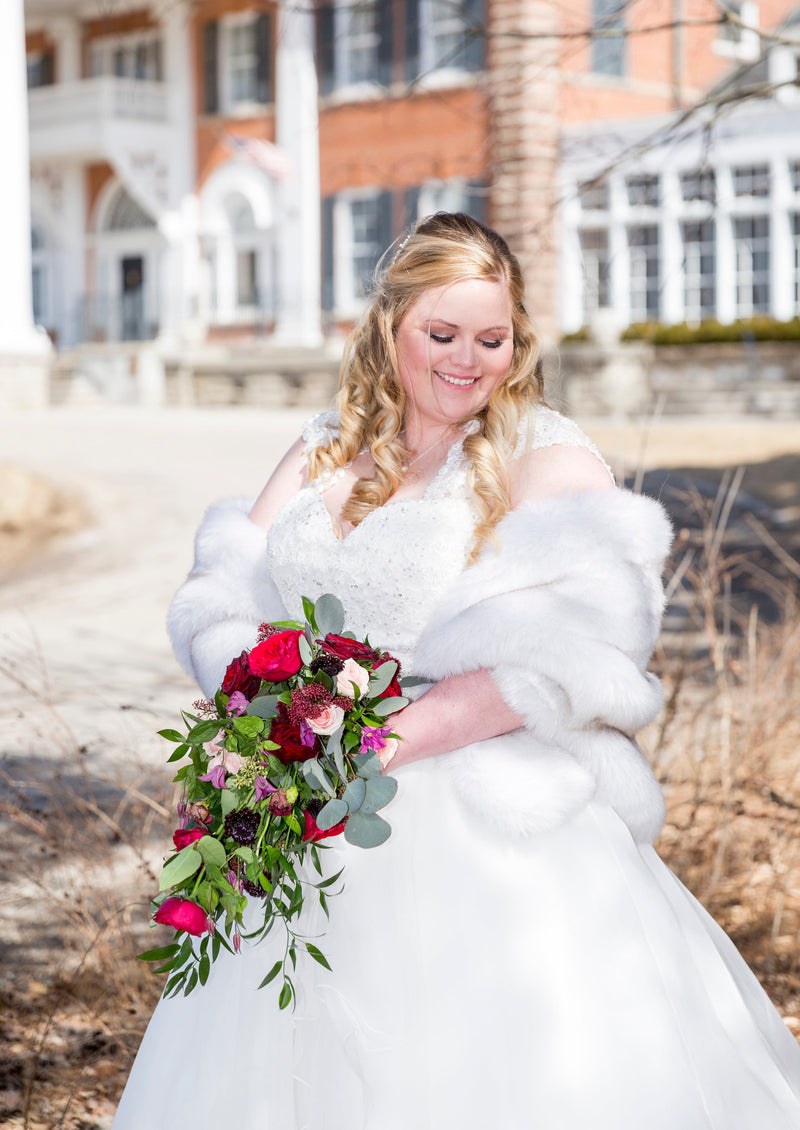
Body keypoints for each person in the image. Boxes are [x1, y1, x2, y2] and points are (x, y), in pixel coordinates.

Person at [113, 212, 800, 1130]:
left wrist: (369, 750)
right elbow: (225, 596)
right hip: (304, 810)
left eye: (493, 338)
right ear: (389, 326)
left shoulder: (544, 459)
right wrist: (265, 731)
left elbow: (565, 653)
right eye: (441, 335)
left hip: (484, 822)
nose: (467, 362)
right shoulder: (325, 444)